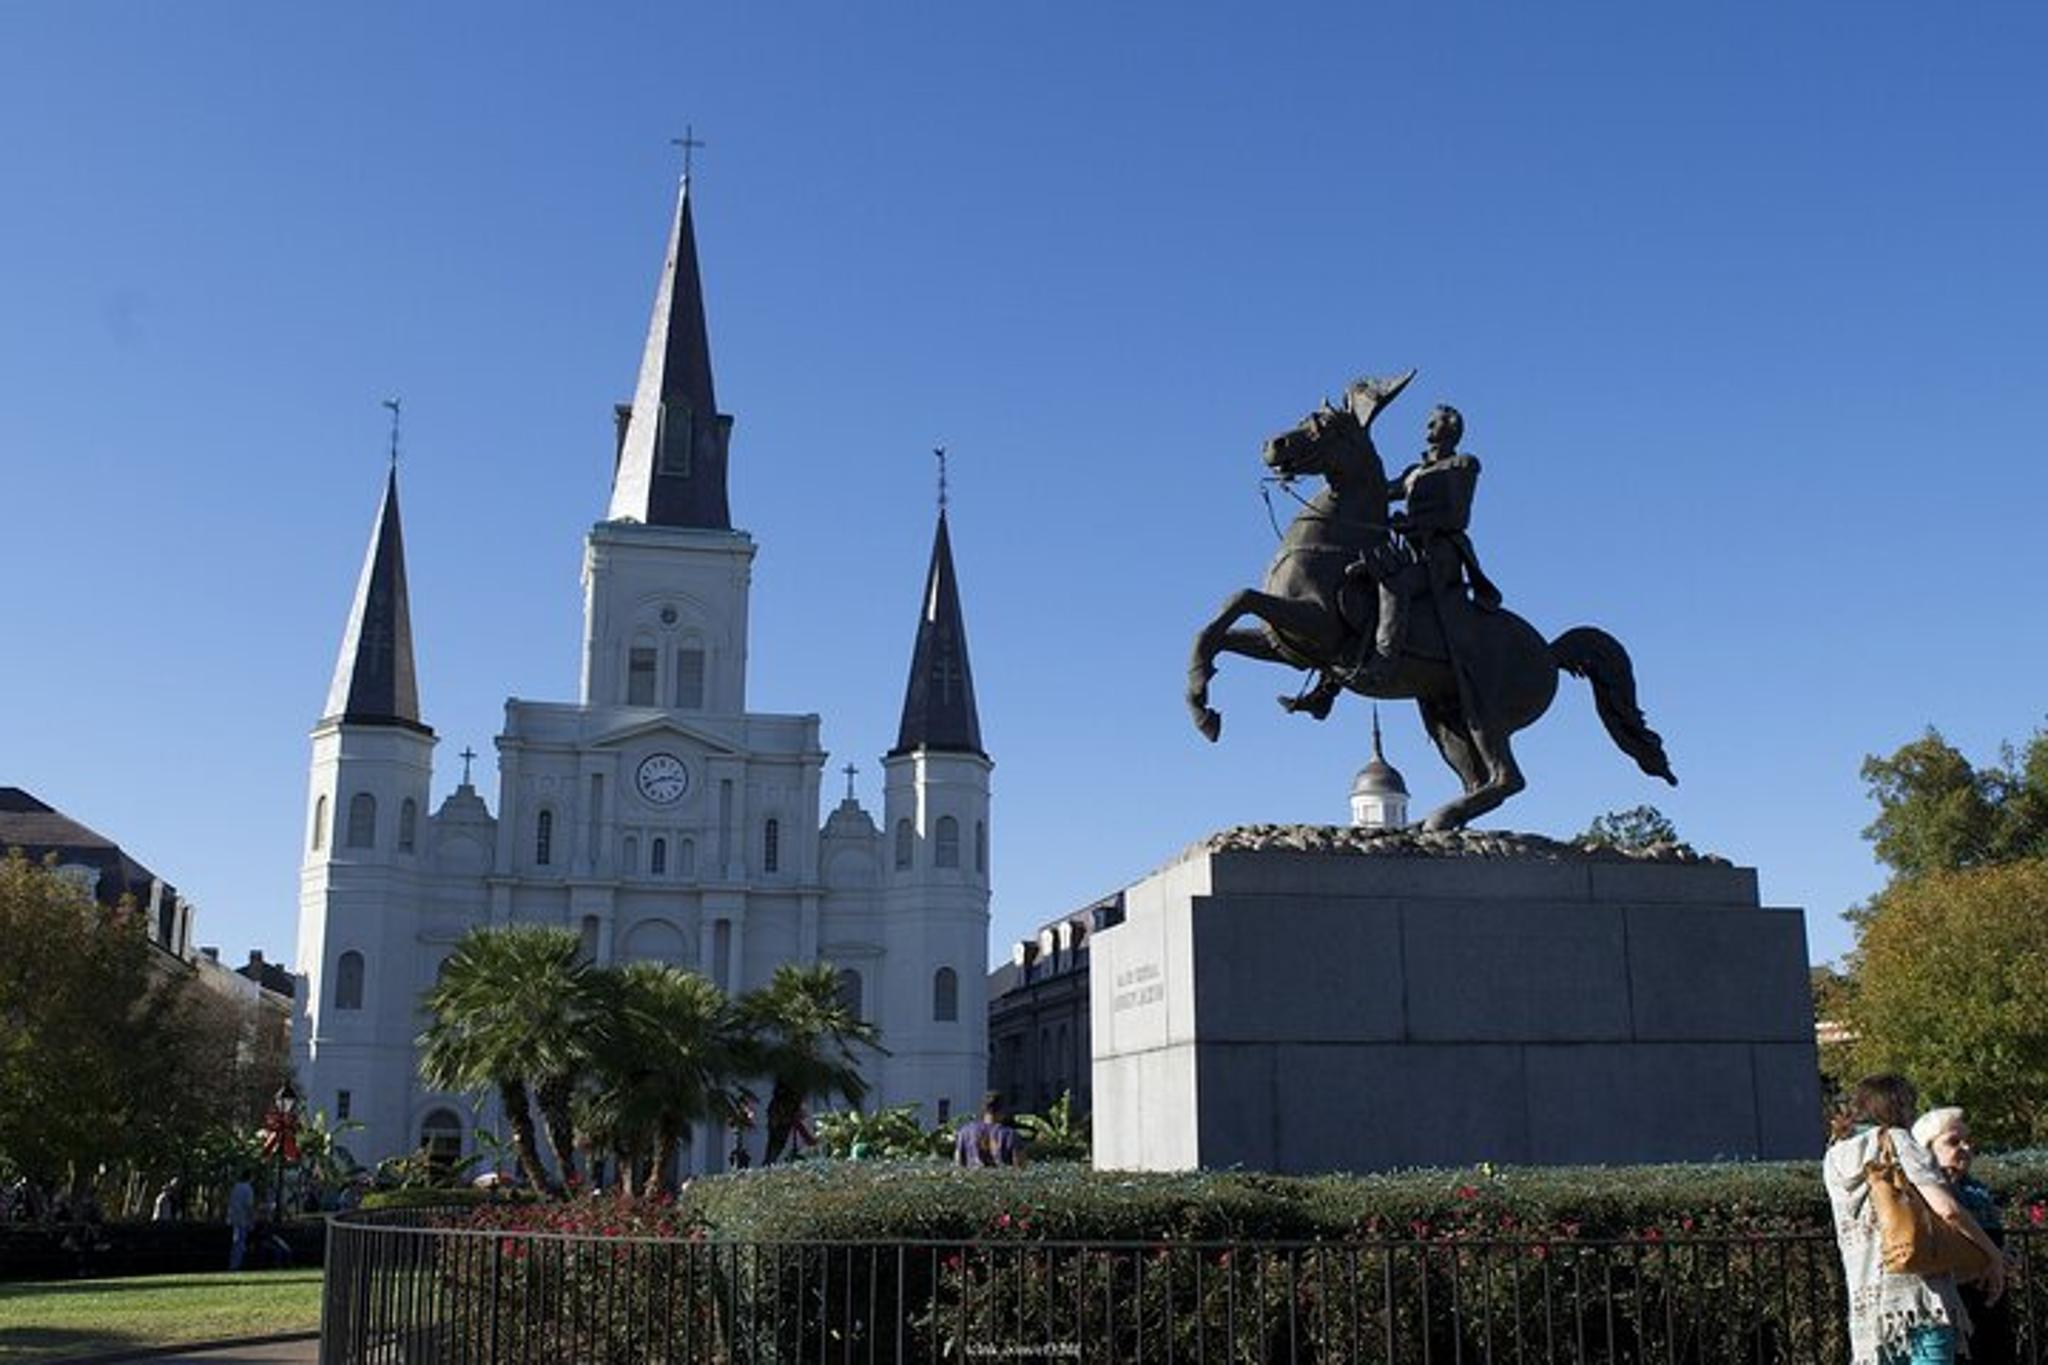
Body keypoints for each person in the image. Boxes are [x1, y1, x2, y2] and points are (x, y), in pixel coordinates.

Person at [1824, 1075, 2003, 1365]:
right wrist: (1993, 1254)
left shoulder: (1834, 1157)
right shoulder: (1897, 1140)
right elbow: (1948, 1209)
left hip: (1868, 1303)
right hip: (1920, 1295)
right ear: (1899, 1105)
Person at [1914, 1106, 2016, 1365]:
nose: (1966, 1148)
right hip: (1955, 1300)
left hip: (1991, 1298)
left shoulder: (1977, 1189)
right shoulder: (1929, 1192)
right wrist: (1987, 1261)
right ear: (1928, 1147)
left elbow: (1996, 1236)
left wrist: (2005, 1257)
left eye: (1968, 1141)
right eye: (1953, 1142)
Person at [952, 1092, 1022, 1169]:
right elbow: (1018, 1167)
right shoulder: (1010, 1134)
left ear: (983, 1109)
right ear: (1002, 1111)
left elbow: (958, 1164)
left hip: (973, 1175)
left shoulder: (964, 1132)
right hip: (1000, 1175)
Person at [226, 1172, 256, 1271]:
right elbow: (249, 1206)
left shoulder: (235, 1187)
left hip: (234, 1219)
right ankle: (236, 1265)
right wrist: (252, 1219)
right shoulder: (248, 1188)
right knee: (240, 1243)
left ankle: (233, 1264)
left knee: (236, 1242)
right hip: (243, 1220)